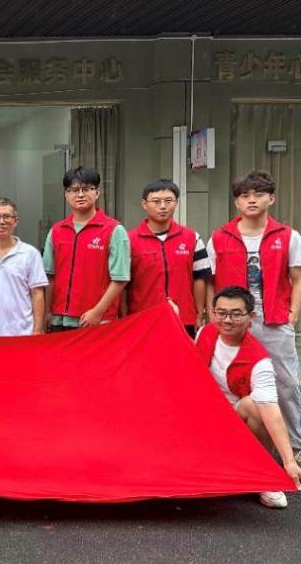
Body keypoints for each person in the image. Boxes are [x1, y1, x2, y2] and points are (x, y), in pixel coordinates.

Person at [207, 170, 301, 459]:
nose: (251, 200)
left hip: (273, 320)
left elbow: (297, 278)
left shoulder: (288, 236)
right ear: (236, 202)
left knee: (286, 385)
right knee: (228, 383)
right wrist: (212, 316)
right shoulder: (220, 237)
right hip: (231, 323)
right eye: (244, 195)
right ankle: (238, 449)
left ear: (271, 198)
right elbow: (209, 281)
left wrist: (293, 315)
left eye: (259, 194)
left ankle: (295, 448)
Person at [194, 286, 301, 508]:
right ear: (213, 313)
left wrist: (289, 461)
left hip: (234, 422)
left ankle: (263, 475)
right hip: (202, 415)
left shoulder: (260, 361)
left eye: (236, 314)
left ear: (250, 317)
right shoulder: (204, 333)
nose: (227, 320)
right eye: (221, 313)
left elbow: (271, 410)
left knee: (254, 405)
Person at [43, 166, 130, 331]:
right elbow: (50, 276)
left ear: (97, 192)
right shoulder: (56, 231)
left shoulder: (114, 230)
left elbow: (120, 279)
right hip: (59, 319)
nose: (80, 194)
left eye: (87, 189)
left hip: (97, 321)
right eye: (74, 190)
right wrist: (47, 311)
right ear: (66, 195)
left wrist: (98, 312)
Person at [125, 179, 211, 337]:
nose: (163, 206)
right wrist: (124, 317)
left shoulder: (192, 237)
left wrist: (200, 313)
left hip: (184, 319)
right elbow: (123, 284)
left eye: (168, 201)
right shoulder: (129, 240)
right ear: (144, 204)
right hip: (142, 320)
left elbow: (199, 277)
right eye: (156, 201)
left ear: (176, 202)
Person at [0, 198, 48, 336]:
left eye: (7, 216)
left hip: (22, 333)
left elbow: (37, 294)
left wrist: (37, 330)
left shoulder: (30, 254)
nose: (1, 221)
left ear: (16, 221)